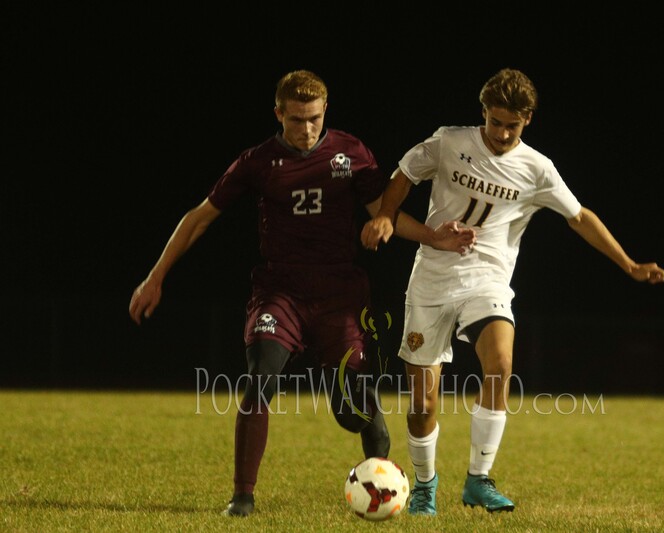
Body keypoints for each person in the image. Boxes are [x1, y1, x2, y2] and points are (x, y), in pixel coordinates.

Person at [128, 70, 476, 518]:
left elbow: (384, 212)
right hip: (281, 292)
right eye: (296, 120)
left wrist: (433, 237)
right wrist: (156, 277)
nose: (306, 129)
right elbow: (199, 217)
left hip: (340, 296)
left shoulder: (351, 153)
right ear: (278, 113)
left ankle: (384, 485)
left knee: (354, 409)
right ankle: (242, 498)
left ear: (324, 110)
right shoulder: (257, 161)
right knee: (259, 379)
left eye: (313, 118)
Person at [361, 67, 664, 515]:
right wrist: (387, 214)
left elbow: (578, 216)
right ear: (483, 112)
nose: (503, 133)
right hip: (431, 280)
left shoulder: (537, 168)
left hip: (488, 279)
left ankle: (478, 480)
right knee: (423, 405)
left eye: (513, 125)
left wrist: (629, 264)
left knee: (501, 362)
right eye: (496, 122)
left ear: (528, 120)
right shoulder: (449, 142)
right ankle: (425, 486)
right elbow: (404, 174)